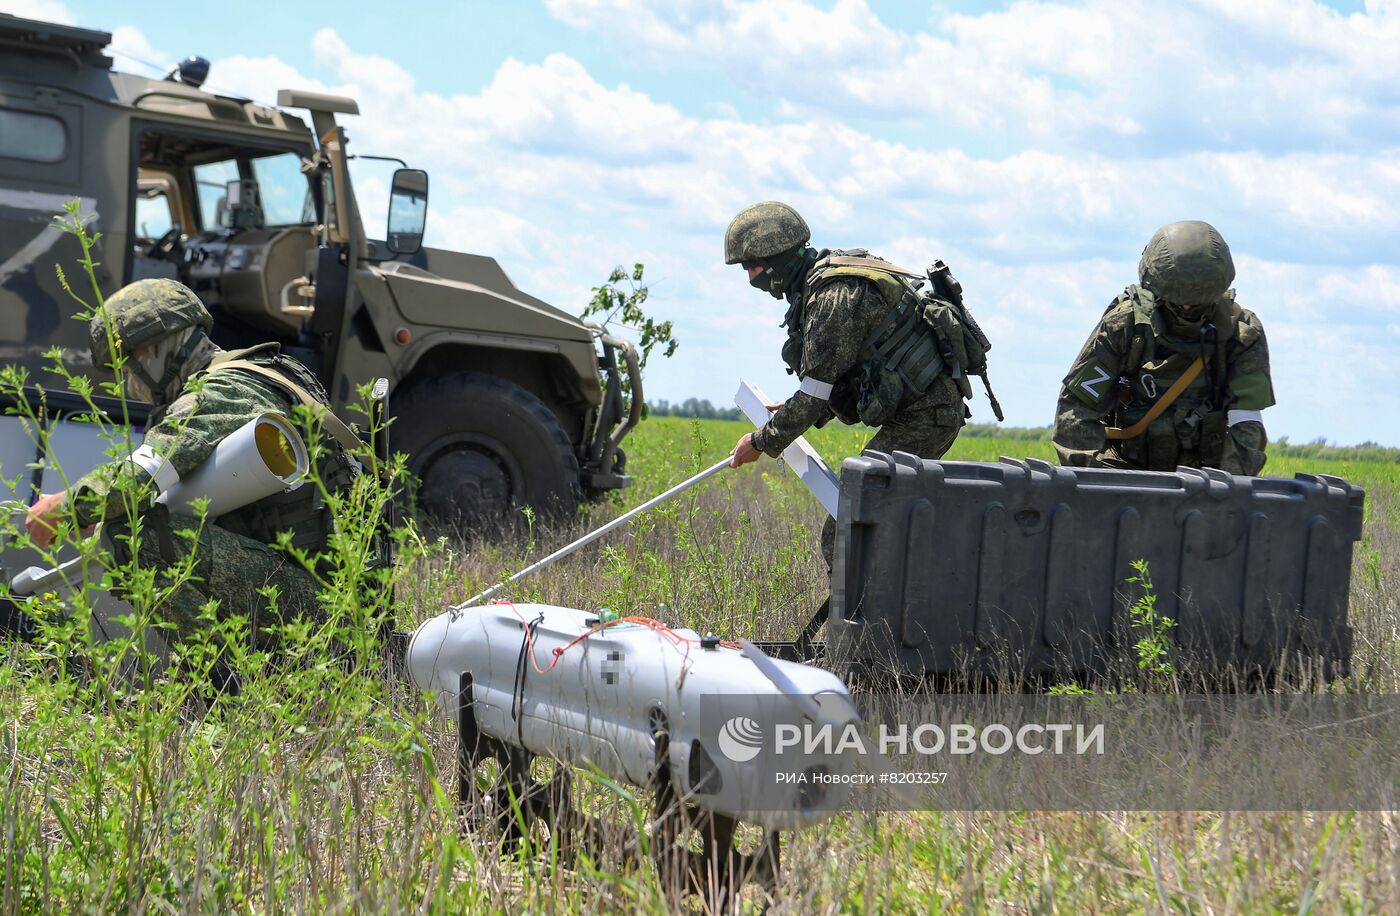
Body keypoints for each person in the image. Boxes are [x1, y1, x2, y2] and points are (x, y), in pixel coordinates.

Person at [24, 278, 365, 652]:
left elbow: (140, 477)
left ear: (153, 350)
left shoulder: (223, 391)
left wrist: (67, 506)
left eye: (127, 368)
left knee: (134, 538)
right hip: (331, 598)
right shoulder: (259, 373)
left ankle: (217, 689)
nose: (127, 384)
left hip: (325, 611)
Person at [723, 200, 969, 564]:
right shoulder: (828, 281)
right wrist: (792, 411)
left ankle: (862, 621)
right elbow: (829, 385)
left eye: (753, 265)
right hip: (922, 410)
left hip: (926, 416)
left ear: (776, 260)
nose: (750, 278)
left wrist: (760, 441)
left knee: (845, 532)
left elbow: (814, 395)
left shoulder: (831, 296)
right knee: (863, 529)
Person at [1053, 220, 1274, 476]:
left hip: (1206, 479)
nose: (1187, 309)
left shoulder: (1242, 334)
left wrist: (1225, 489)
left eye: (1197, 301)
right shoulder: (1124, 327)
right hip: (1125, 474)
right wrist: (1094, 482)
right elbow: (1077, 410)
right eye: (1178, 301)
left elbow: (1247, 424)